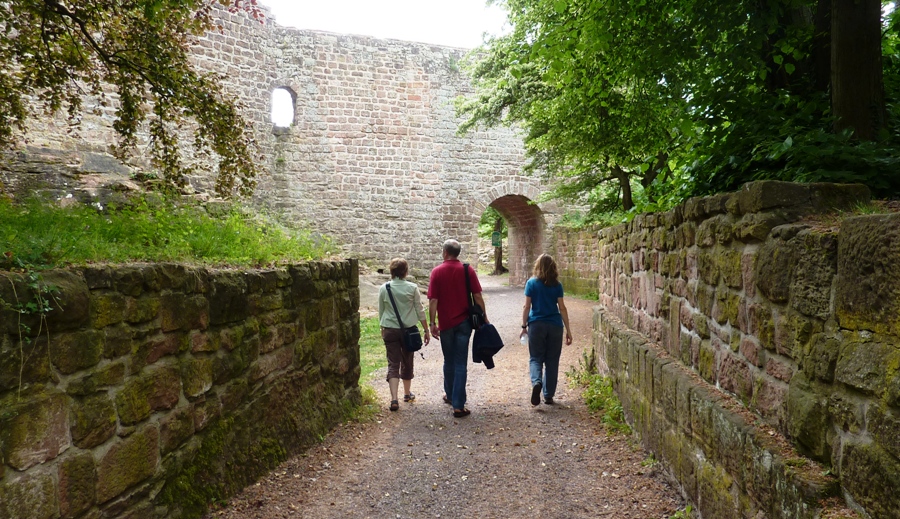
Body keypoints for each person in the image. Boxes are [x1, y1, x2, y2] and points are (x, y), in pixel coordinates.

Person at [427, 239, 488, 418]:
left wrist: (432, 323)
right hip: (464, 323)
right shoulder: (467, 270)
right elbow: (477, 295)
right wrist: (484, 316)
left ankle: (451, 395)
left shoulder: (437, 272)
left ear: (445, 252)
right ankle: (458, 405)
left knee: (449, 360)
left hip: (446, 324)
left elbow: (433, 300)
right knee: (461, 361)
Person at [519, 253, 572, 406]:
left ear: (538, 266)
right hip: (555, 326)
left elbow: (527, 306)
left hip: (536, 325)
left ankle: (536, 382)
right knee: (552, 360)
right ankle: (548, 395)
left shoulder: (531, 283)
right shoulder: (557, 285)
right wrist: (568, 330)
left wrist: (524, 326)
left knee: (535, 358)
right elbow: (562, 308)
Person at [378, 258, 430, 412]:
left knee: (393, 363)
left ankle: (394, 399)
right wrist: (426, 329)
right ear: (406, 271)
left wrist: (382, 327)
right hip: (408, 330)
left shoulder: (384, 288)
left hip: (389, 329)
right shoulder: (412, 288)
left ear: (391, 271)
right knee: (407, 361)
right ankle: (407, 394)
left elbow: (381, 310)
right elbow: (419, 310)